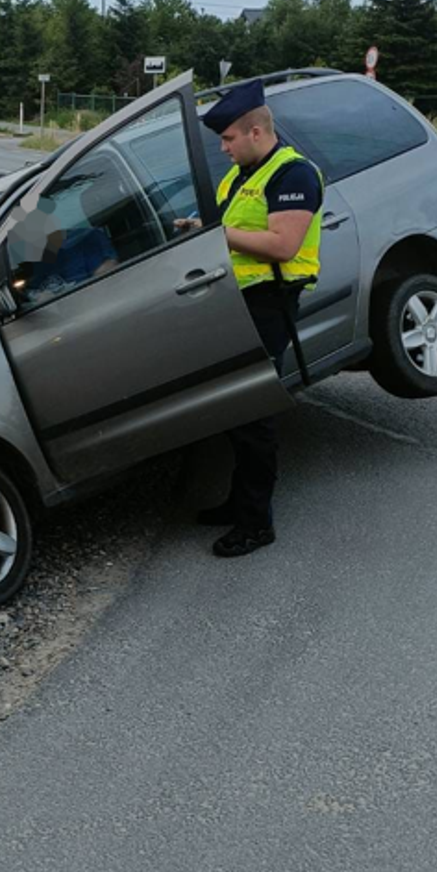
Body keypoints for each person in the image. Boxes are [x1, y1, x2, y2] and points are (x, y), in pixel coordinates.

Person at [184, 77, 323, 559]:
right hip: (235, 302)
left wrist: (218, 234)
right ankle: (238, 503)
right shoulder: (240, 175)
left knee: (253, 416)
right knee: (235, 411)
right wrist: (199, 231)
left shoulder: (294, 174)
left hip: (270, 302)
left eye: (228, 139)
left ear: (256, 132)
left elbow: (283, 245)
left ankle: (256, 523)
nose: (222, 148)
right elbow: (235, 230)